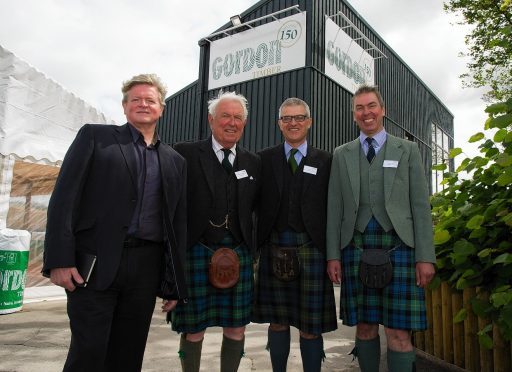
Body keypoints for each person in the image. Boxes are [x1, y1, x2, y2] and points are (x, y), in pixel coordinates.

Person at [42, 73, 188, 372]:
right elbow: (64, 200)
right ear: (124, 107)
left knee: (129, 353)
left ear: (161, 108)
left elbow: (176, 225)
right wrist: (59, 259)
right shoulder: (95, 137)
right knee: (89, 352)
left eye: (150, 100)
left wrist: (174, 283)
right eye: (135, 99)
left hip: (146, 268)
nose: (143, 104)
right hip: (94, 264)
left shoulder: (175, 160)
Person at [326, 85, 436, 372]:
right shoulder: (341, 154)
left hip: (400, 247)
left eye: (371, 106)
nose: (366, 113)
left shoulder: (408, 150)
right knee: (364, 328)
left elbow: (420, 207)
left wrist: (425, 257)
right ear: (354, 115)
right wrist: (332, 256)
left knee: (399, 332)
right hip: (356, 248)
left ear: (383, 110)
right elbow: (334, 209)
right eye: (360, 108)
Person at [171, 91, 261, 372]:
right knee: (194, 329)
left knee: (236, 327)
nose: (232, 122)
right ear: (211, 120)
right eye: (225, 116)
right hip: (196, 251)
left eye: (238, 118)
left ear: (244, 124)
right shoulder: (184, 153)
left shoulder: (253, 162)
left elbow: (258, 208)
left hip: (239, 251)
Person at [252, 98, 338, 371]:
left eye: (299, 117)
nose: (293, 123)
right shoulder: (263, 159)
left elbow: (335, 208)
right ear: (279, 124)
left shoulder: (325, 160)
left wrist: (332, 253)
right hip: (273, 247)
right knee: (277, 321)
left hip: (311, 249)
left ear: (309, 122)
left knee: (310, 326)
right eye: (287, 118)